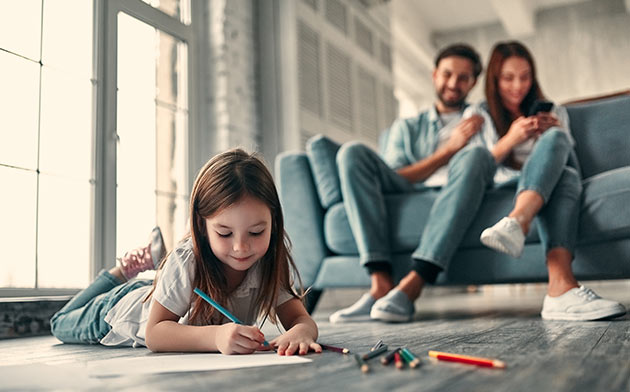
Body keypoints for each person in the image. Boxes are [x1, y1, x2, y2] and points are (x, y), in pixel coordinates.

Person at [51, 149, 322, 355]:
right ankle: (120, 273)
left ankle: (150, 272)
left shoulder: (268, 260)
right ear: (202, 227)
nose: (241, 247)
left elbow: (300, 318)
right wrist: (216, 337)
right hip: (116, 314)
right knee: (58, 323)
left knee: (166, 285)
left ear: (273, 223)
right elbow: (155, 334)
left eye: (256, 232)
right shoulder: (187, 258)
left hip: (162, 293)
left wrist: (300, 331)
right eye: (224, 233)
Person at [330, 44, 495, 323]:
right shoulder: (408, 127)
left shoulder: (483, 119)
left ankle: (412, 286)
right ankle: (380, 283)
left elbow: (494, 164)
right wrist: (449, 150)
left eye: (463, 77)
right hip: (411, 189)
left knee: (477, 155)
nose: (453, 83)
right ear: (434, 75)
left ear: (474, 82)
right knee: (351, 152)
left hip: (460, 191)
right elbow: (398, 177)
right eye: (447, 74)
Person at [474, 41, 626, 320]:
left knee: (561, 155)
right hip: (505, 184)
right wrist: (512, 139)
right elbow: (476, 169)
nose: (518, 86)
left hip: (556, 179)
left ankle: (517, 221)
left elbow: (573, 166)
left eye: (525, 76)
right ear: (494, 80)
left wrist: (554, 133)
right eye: (508, 78)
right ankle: (560, 290)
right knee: (564, 178)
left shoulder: (554, 111)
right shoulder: (481, 116)